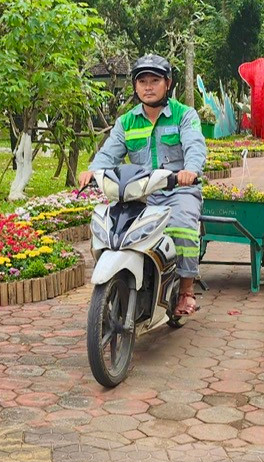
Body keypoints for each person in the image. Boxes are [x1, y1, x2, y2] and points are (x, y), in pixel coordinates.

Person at [79, 55, 208, 315]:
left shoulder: (185, 115)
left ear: (167, 83)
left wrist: (190, 171)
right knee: (115, 229)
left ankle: (185, 290)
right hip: (139, 193)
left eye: (155, 80)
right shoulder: (126, 121)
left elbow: (195, 146)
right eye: (142, 81)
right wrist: (93, 171)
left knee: (182, 227)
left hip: (177, 191)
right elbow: (108, 153)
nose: (148, 87)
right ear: (136, 87)